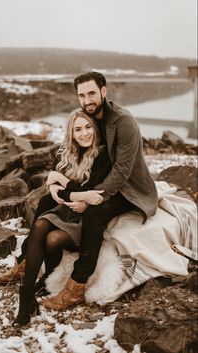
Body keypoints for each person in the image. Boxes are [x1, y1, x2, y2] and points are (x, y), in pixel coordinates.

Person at [40, 71, 158, 311]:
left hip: (129, 190)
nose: (87, 99)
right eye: (82, 95)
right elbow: (68, 152)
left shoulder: (124, 121)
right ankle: (25, 263)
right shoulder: (88, 117)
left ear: (104, 91)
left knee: (94, 213)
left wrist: (92, 198)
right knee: (44, 202)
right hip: (97, 184)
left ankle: (76, 286)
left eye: (92, 93)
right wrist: (56, 183)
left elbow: (122, 171)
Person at [14, 109, 113, 325]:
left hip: (84, 219)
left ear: (95, 129)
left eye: (88, 127)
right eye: (78, 129)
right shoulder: (66, 152)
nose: (84, 133)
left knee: (53, 238)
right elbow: (57, 189)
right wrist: (56, 183)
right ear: (71, 132)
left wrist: (62, 181)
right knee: (40, 225)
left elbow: (92, 195)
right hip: (65, 211)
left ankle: (40, 282)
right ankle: (26, 297)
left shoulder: (103, 155)